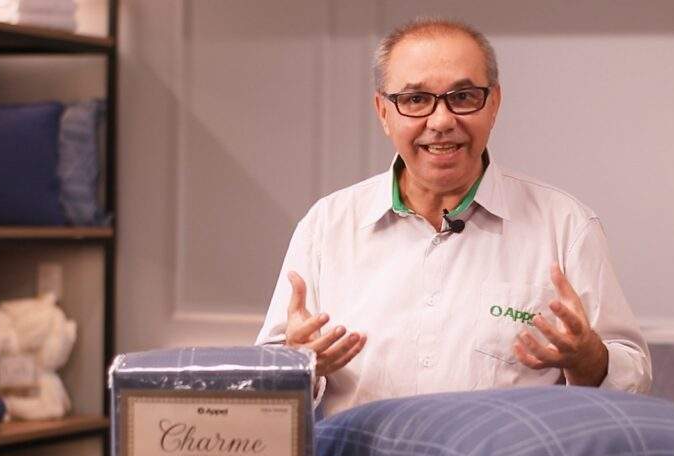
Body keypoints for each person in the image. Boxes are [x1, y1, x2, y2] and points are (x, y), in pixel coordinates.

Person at [257, 18, 650, 417]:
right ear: (383, 112)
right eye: (415, 99)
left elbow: (633, 378)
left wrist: (589, 359)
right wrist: (297, 364)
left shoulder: (564, 225)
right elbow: (259, 389)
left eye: (463, 97)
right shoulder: (326, 226)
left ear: (493, 104)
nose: (442, 121)